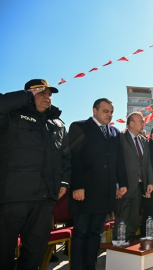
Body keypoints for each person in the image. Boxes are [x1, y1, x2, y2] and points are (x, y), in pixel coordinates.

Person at [0, 79, 70, 269]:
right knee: (3, 251)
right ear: (29, 95)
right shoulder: (12, 115)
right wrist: (26, 96)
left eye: (49, 94)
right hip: (13, 197)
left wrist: (64, 182)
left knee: (34, 253)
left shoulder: (57, 123)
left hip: (44, 200)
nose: (47, 97)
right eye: (41, 93)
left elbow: (66, 157)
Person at [69, 98, 128, 270]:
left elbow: (118, 159)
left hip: (105, 192)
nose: (109, 115)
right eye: (105, 111)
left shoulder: (115, 132)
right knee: (81, 232)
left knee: (96, 232)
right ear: (94, 111)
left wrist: (122, 182)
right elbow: (74, 159)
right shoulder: (79, 127)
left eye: (111, 112)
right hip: (85, 191)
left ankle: (90, 266)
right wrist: (78, 186)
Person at [113, 112, 153, 241]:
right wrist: (117, 184)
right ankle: (118, 245)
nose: (143, 123)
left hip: (139, 186)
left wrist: (150, 182)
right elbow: (115, 163)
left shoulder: (143, 140)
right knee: (122, 218)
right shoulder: (120, 138)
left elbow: (147, 164)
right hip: (124, 186)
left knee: (134, 219)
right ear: (131, 123)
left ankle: (129, 244)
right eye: (141, 121)